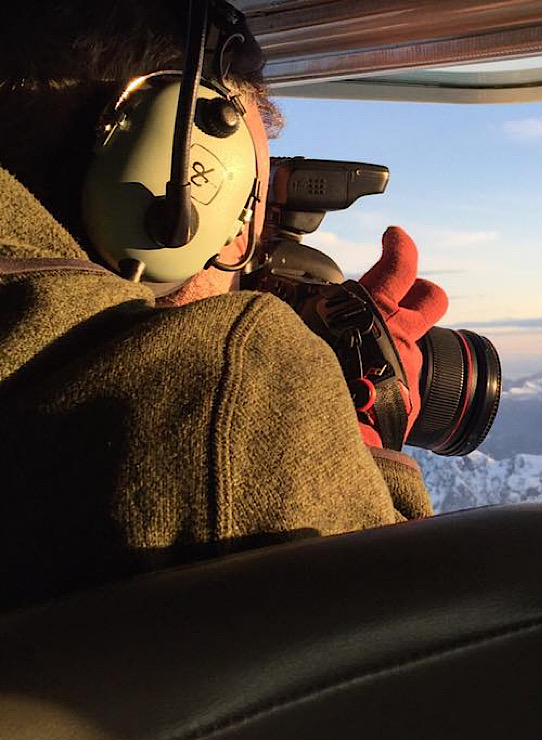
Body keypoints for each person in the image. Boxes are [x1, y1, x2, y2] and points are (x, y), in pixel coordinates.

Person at [0, 0, 446, 611]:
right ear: (176, 193)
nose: (254, 263)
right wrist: (366, 425)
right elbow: (411, 650)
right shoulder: (224, 388)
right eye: (248, 223)